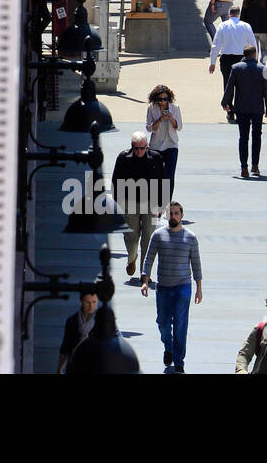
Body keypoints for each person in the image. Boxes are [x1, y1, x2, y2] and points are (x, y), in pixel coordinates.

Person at [142, 201, 203, 373]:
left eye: (177, 213)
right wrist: (145, 281)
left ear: (182, 216)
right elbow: (149, 259)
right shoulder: (158, 235)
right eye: (171, 213)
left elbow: (196, 264)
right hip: (163, 287)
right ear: (166, 215)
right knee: (162, 322)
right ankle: (168, 347)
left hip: (183, 287)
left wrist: (199, 288)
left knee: (180, 324)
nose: (174, 216)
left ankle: (179, 362)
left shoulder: (190, 237)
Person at [112, 132, 167, 278]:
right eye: (136, 148)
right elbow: (115, 182)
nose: (139, 151)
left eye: (142, 148)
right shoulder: (123, 158)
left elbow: (163, 182)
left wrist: (162, 205)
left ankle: (145, 271)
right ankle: (132, 258)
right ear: (132, 147)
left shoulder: (156, 158)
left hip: (151, 203)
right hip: (129, 203)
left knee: (149, 237)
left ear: (147, 146)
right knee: (131, 236)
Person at [222, 44, 267, 177]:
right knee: (257, 136)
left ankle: (244, 167)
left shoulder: (236, 68)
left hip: (241, 108)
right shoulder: (263, 69)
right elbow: (266, 90)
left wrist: (225, 103)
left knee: (243, 137)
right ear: (254, 54)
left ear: (244, 54)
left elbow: (230, 87)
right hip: (257, 108)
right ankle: (255, 166)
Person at [209, 6, 256, 122]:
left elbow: (216, 45)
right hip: (242, 59)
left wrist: (212, 62)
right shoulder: (246, 26)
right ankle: (241, 109)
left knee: (228, 85)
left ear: (229, 14)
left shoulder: (223, 26)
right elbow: (253, 43)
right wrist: (255, 60)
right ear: (238, 14)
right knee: (242, 86)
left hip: (226, 59)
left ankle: (230, 111)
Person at [144, 85, 181, 199]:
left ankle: (167, 203)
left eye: (165, 99)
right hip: (156, 146)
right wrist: (159, 119)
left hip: (171, 145)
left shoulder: (175, 108)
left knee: (169, 177)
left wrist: (171, 118)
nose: (163, 102)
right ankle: (155, 201)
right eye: (160, 99)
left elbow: (179, 127)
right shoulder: (151, 108)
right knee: (155, 177)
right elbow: (149, 128)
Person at [57, 290, 99, 373]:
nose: (91, 306)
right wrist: (59, 369)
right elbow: (65, 347)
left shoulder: (101, 320)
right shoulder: (72, 321)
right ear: (82, 301)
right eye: (88, 302)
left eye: (94, 302)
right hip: (74, 364)